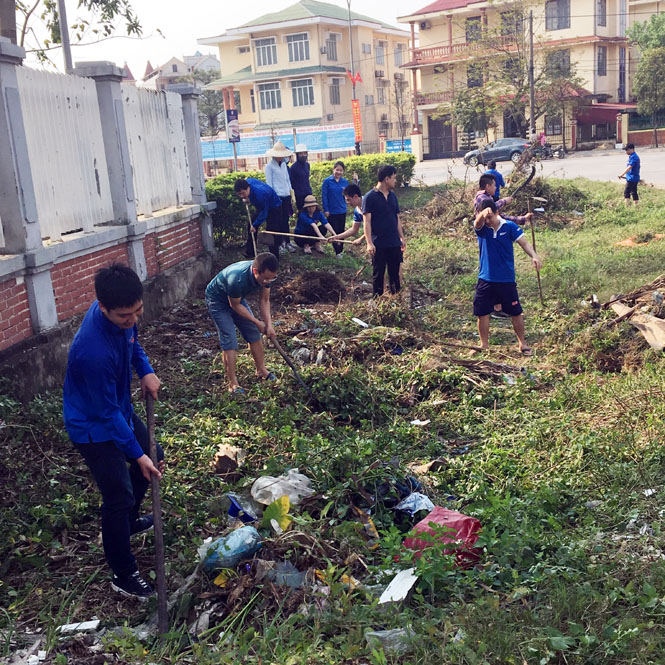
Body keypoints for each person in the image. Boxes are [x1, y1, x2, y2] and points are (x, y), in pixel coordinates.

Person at [63, 264, 164, 601]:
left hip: (116, 409)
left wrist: (145, 370)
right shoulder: (92, 351)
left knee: (154, 457)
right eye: (124, 315)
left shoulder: (120, 314)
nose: (132, 319)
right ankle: (123, 574)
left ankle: (130, 521)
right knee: (118, 495)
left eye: (138, 310)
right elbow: (105, 415)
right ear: (102, 307)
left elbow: (132, 341)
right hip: (92, 426)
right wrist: (137, 455)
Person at [473, 199, 540, 355]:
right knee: (482, 312)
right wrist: (482, 215)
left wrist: (534, 256)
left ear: (497, 213)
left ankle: (523, 344)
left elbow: (524, 243)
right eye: (485, 218)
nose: (488, 221)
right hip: (486, 278)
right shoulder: (483, 228)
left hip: (506, 279)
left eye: (490, 217)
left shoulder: (509, 226)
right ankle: (484, 345)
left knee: (515, 312)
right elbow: (477, 224)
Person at [205, 253, 278, 394]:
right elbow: (235, 306)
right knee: (230, 339)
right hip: (218, 300)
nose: (268, 281)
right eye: (266, 279)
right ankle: (233, 384)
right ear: (256, 271)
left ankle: (261, 371)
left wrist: (268, 324)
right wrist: (257, 321)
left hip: (237, 298)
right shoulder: (236, 279)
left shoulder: (266, 277)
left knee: (252, 332)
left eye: (272, 278)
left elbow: (264, 300)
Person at [363, 164, 406, 296]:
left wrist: (402, 237)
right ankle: (378, 302)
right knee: (378, 274)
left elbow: (396, 218)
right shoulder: (370, 197)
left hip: (393, 242)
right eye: (394, 178)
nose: (395, 181)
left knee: (394, 274)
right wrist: (369, 242)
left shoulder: (393, 197)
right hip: (379, 243)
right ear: (387, 179)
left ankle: (395, 302)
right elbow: (367, 221)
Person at [234, 178, 282, 261]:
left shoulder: (260, 194)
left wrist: (255, 225)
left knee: (271, 233)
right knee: (250, 225)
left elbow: (264, 213)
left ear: (248, 188)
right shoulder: (247, 182)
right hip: (263, 206)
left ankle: (274, 258)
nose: (241, 196)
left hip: (274, 207)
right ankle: (250, 252)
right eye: (239, 194)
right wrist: (247, 198)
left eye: (243, 193)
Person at [265, 141, 296, 253]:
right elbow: (270, 184)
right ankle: (279, 244)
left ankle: (287, 242)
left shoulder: (283, 165)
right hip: (277, 197)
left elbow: (287, 181)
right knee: (277, 222)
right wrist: (273, 198)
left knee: (285, 220)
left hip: (286, 196)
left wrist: (291, 195)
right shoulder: (269, 167)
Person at [321, 161, 350, 258]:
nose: (338, 172)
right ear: (333, 169)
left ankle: (340, 250)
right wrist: (326, 209)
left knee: (341, 231)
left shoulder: (345, 182)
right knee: (334, 231)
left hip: (342, 210)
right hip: (331, 211)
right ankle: (337, 251)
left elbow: (348, 195)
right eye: (337, 169)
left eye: (341, 170)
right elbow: (324, 196)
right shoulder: (327, 181)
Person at [289, 143, 312, 211]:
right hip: (299, 196)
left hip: (308, 194)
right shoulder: (293, 167)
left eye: (305, 153)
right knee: (302, 214)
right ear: (297, 155)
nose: (303, 155)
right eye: (301, 154)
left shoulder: (307, 165)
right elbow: (291, 182)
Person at [619, 143, 640, 207]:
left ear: (632, 149)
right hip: (632, 177)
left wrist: (622, 174)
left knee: (627, 192)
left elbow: (630, 167)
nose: (626, 152)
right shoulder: (632, 156)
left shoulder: (634, 157)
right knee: (634, 192)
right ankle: (636, 206)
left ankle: (627, 206)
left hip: (632, 178)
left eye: (627, 150)